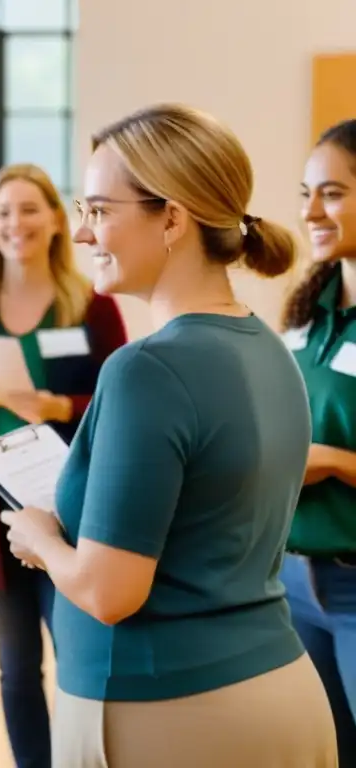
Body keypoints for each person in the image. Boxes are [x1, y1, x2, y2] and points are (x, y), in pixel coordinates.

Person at [0, 104, 337, 767]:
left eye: (99, 211)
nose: (81, 231)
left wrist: (39, 538)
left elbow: (108, 591)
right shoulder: (271, 349)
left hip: (170, 714)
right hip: (280, 692)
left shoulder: (146, 369)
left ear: (174, 218)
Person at [0, 163, 126, 768]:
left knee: (78, 660)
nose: (16, 223)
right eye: (3, 212)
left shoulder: (91, 307)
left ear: (55, 220)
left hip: (69, 509)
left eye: (29, 209)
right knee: (15, 667)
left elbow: (123, 400)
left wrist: (59, 405)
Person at [279, 117, 356, 766]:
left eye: (330, 193)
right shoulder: (308, 311)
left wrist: (330, 460)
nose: (309, 212)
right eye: (305, 193)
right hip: (294, 581)